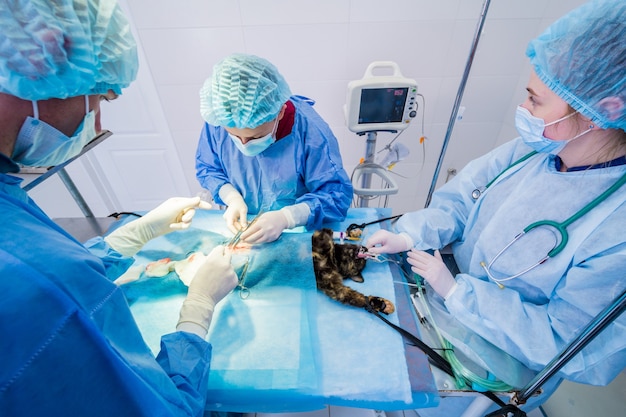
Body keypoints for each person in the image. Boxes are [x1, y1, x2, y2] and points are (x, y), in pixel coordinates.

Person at [366, 0, 625, 414]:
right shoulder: (530, 150)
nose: (523, 111)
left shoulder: (616, 227)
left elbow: (569, 345)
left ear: (606, 110)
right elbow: (459, 203)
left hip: (500, 363)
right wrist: (410, 234)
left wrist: (458, 292)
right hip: (443, 308)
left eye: (535, 101)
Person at [0, 1, 237, 416]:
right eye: (101, 96)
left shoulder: (10, 204)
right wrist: (198, 310)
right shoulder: (29, 286)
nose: (95, 116)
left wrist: (134, 234)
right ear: (41, 59)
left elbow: (63, 274)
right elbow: (163, 409)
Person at [195, 53, 353, 244]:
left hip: (293, 231)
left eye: (255, 137)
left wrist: (287, 218)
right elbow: (208, 168)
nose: (244, 145)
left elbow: (335, 195)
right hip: (242, 227)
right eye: (235, 137)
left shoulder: (311, 133)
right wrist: (231, 196)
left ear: (280, 112)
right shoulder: (221, 117)